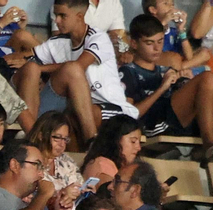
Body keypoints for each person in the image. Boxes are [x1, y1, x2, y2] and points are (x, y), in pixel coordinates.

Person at [11, 0, 135, 141]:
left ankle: (91, 141)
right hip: (75, 106)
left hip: (110, 105)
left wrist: (40, 68)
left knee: (71, 77)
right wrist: (8, 58)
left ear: (79, 17)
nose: (57, 21)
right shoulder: (58, 42)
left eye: (62, 16)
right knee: (31, 68)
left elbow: (78, 66)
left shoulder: (99, 38)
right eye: (56, 15)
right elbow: (27, 55)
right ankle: (31, 133)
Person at [120, 13, 213, 155]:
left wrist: (184, 82)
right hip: (153, 125)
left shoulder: (165, 70)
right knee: (207, 78)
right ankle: (209, 145)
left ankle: (204, 147)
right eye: (149, 43)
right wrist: (162, 88)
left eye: (160, 41)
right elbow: (128, 116)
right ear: (134, 43)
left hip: (175, 121)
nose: (156, 48)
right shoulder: (128, 72)